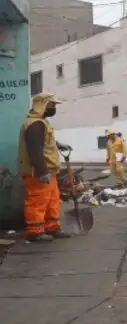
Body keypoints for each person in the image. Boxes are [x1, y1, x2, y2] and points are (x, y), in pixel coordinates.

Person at [18, 92, 72, 242]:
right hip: (38, 172)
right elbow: (34, 150)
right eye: (52, 104)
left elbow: (44, 143)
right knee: (37, 201)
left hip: (49, 171)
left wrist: (57, 144)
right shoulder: (34, 124)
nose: (54, 108)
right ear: (42, 104)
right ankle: (34, 231)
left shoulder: (41, 122)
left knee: (52, 199)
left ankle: (52, 227)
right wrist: (42, 171)